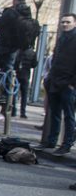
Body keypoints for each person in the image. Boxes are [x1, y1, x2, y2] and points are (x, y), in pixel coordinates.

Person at [41, 13, 76, 155]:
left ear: (74, 23)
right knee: (54, 112)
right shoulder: (62, 38)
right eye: (62, 22)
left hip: (68, 83)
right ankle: (51, 141)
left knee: (69, 115)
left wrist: (72, 84)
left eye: (68, 22)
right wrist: (48, 79)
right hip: (55, 80)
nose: (64, 24)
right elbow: (55, 60)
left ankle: (66, 144)